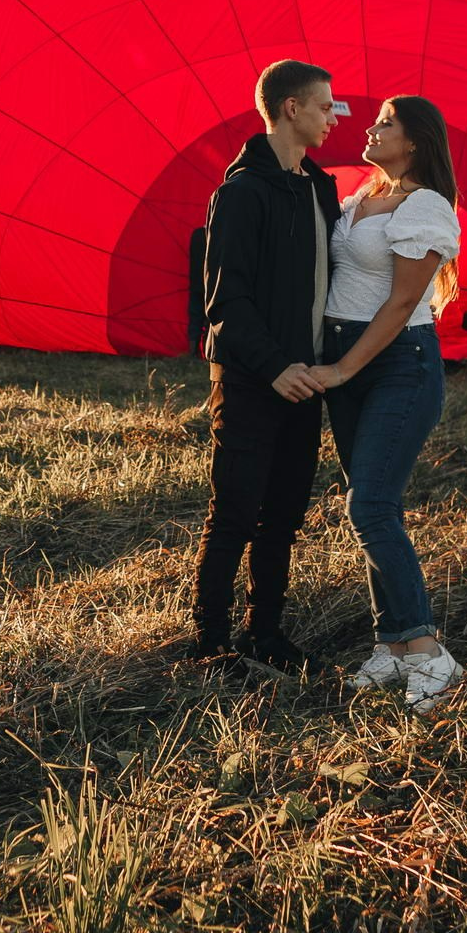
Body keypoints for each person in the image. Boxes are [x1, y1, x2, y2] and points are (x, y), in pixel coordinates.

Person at [302, 96, 465, 713]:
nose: (371, 129)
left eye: (386, 123)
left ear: (416, 140)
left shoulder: (426, 206)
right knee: (371, 505)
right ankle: (391, 647)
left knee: (369, 505)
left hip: (397, 363)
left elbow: (401, 303)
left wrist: (342, 367)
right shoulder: (357, 199)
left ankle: (428, 652)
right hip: (351, 360)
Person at [189, 59, 343, 672]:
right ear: (290, 109)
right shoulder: (240, 192)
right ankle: (211, 643)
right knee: (234, 512)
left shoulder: (321, 189)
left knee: (283, 515)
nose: (333, 119)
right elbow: (225, 301)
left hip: (305, 381)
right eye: (325, 107)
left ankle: (267, 635)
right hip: (254, 379)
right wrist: (276, 365)